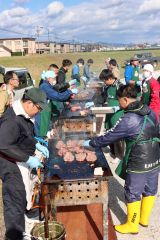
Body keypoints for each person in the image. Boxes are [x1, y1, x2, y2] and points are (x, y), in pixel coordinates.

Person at [83, 85, 160, 234]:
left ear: (125, 99)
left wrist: (91, 143)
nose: (118, 104)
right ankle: (143, 219)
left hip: (139, 158)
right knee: (150, 189)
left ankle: (132, 225)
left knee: (132, 192)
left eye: (119, 101)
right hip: (155, 155)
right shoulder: (150, 111)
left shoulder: (128, 118)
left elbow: (109, 136)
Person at [0, 88, 49, 240]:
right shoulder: (12, 119)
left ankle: (25, 228)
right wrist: (28, 159)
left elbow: (24, 134)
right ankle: (15, 236)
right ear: (29, 103)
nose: (39, 112)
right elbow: (3, 145)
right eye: (38, 108)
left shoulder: (22, 115)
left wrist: (35, 143)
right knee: (15, 201)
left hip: (20, 161)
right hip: (10, 165)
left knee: (24, 196)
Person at [35, 70, 78, 137]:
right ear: (49, 78)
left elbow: (57, 90)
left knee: (47, 130)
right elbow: (57, 96)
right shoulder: (44, 86)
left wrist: (67, 87)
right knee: (42, 132)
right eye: (54, 78)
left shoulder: (47, 85)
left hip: (46, 112)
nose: (55, 80)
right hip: (42, 113)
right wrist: (70, 91)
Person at [99, 69, 124, 159]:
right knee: (109, 133)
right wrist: (94, 103)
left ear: (109, 78)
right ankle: (113, 152)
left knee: (117, 135)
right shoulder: (106, 87)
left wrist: (118, 107)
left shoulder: (119, 86)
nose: (104, 82)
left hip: (117, 114)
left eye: (105, 80)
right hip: (109, 113)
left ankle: (119, 156)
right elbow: (103, 97)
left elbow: (125, 101)